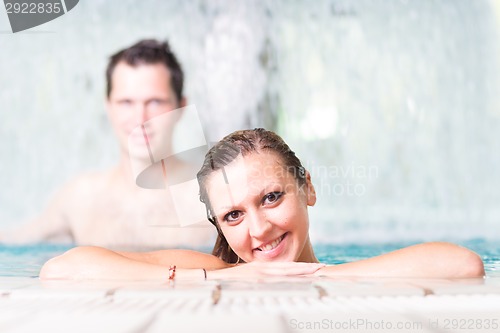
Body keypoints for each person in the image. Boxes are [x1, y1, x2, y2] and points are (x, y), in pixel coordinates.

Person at [40, 129, 485, 280]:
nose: (258, 230)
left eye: (271, 198)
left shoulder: (341, 268)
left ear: (307, 188)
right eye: (233, 215)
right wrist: (234, 281)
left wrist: (316, 277)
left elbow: (463, 266)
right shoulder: (218, 272)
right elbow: (61, 269)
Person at [0, 39, 215, 250]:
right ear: (108, 106)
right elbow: (11, 243)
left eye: (155, 102)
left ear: (181, 107)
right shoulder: (79, 198)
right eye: (126, 103)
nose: (140, 118)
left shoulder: (212, 197)